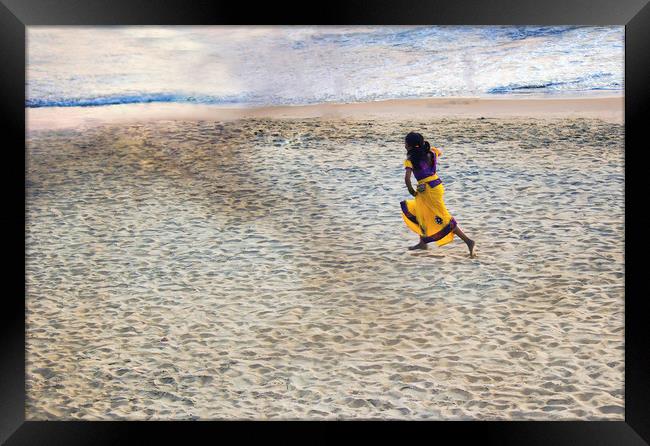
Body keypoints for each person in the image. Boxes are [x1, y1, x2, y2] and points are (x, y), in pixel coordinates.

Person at [400, 132, 475, 256]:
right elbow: (440, 151)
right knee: (421, 213)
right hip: (437, 186)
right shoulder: (432, 153)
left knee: (443, 217)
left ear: (410, 145)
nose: (404, 145)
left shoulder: (410, 160)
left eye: (405, 143)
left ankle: (468, 241)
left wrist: (412, 191)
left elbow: (407, 179)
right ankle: (423, 243)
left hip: (426, 191)